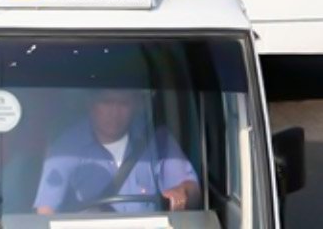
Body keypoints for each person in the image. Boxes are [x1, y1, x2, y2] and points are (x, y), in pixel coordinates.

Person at [33, 88, 200, 215]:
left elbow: (193, 190)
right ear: (90, 104)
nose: (115, 112)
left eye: (123, 104)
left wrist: (182, 192)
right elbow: (45, 210)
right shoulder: (65, 148)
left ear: (134, 106)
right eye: (106, 102)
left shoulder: (156, 139)